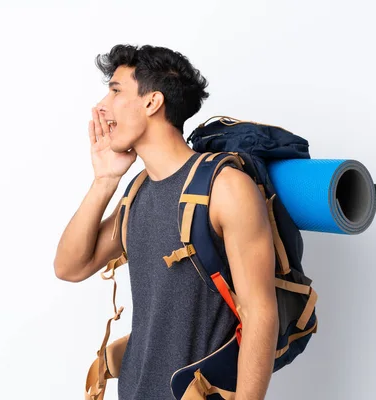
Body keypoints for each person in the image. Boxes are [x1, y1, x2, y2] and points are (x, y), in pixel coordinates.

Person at [54, 44, 278, 400]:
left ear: (152, 102)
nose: (101, 106)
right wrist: (105, 182)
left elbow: (261, 315)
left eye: (115, 91)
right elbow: (70, 266)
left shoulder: (225, 188)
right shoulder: (138, 190)